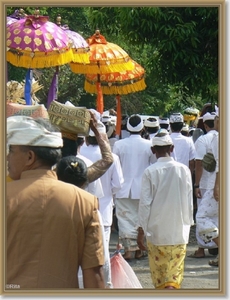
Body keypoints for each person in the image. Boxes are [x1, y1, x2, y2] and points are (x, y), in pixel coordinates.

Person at [6, 115, 105, 289]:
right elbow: (94, 273)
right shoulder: (85, 202)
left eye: (12, 151)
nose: (7, 157)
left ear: (30, 157)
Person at [137, 129, 194, 289]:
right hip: (179, 230)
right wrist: (189, 223)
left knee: (160, 275)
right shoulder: (184, 170)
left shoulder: (150, 172)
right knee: (173, 275)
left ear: (153, 151)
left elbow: (145, 204)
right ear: (172, 148)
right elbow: (189, 200)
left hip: (156, 232)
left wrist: (141, 230)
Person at [80, 120, 124, 287]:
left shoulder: (78, 155)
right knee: (101, 253)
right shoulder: (112, 157)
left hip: (76, 211)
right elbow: (118, 184)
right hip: (103, 211)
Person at [113, 114, 156, 260]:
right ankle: (139, 249)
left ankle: (129, 250)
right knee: (140, 219)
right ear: (142, 127)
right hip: (142, 188)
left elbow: (114, 166)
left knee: (125, 219)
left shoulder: (119, 145)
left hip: (123, 187)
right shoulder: (149, 145)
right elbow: (153, 165)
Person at [189, 112, 218, 258]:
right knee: (218, 216)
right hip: (218, 182)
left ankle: (202, 248)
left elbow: (199, 163)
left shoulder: (203, 140)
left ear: (205, 125)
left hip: (207, 184)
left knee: (202, 216)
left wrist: (196, 184)